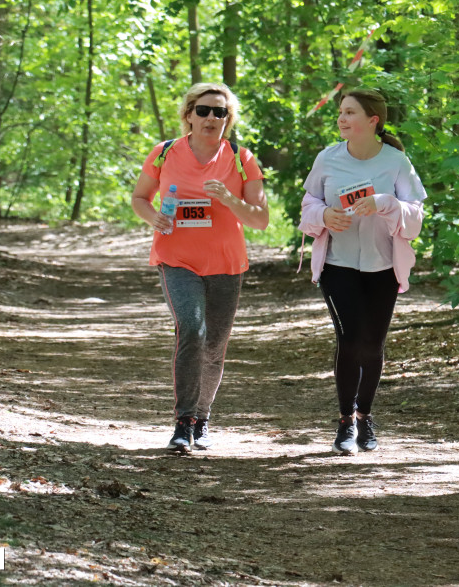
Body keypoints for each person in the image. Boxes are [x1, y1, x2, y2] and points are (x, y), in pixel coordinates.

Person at [131, 83, 269, 453]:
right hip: (177, 259)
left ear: (228, 119)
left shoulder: (242, 158)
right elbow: (140, 198)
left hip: (226, 263)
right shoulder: (164, 153)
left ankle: (203, 418)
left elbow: (260, 220)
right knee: (192, 328)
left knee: (215, 345)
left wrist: (228, 198)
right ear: (189, 114)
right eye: (203, 110)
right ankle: (183, 420)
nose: (211, 118)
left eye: (219, 112)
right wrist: (154, 218)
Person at [299, 88, 426, 455]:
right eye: (340, 111)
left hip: (383, 267)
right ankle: (344, 423)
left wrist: (387, 204)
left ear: (374, 121)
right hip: (338, 266)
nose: (341, 118)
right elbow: (308, 206)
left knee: (372, 345)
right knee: (351, 340)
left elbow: (415, 218)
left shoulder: (397, 162)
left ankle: (365, 416)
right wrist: (324, 215)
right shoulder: (328, 158)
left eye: (350, 112)